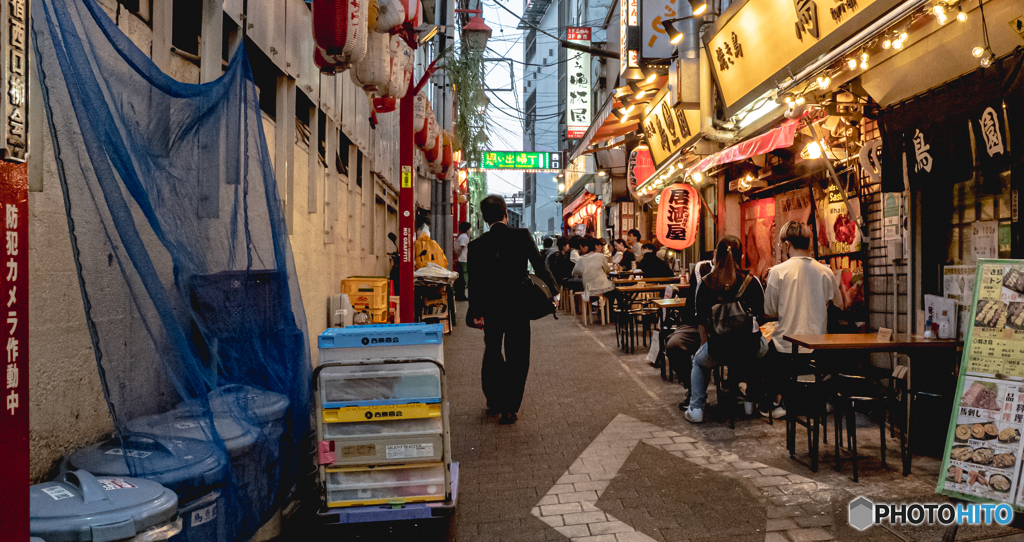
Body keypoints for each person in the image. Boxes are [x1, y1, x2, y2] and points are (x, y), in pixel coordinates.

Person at [467, 195, 558, 425]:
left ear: (485, 218)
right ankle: (510, 408)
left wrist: (476, 312)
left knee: (493, 351)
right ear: (505, 213)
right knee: (518, 355)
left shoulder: (476, 245)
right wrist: (554, 291)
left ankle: (494, 399)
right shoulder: (521, 236)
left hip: (491, 307)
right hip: (518, 304)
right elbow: (539, 265)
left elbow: (475, 282)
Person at [760, 221, 843, 418]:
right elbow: (840, 306)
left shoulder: (778, 272)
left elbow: (768, 310)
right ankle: (818, 400)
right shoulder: (826, 272)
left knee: (763, 351)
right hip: (819, 351)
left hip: (785, 351)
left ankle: (776, 402)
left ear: (786, 244)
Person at [685, 236, 768, 424]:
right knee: (765, 349)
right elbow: (761, 317)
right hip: (750, 348)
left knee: (698, 361)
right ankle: (750, 401)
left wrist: (706, 346)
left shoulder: (706, 283)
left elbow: (701, 321)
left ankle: (696, 408)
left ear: (716, 255)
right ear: (742, 255)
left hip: (718, 349)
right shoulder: (752, 281)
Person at [665, 261, 712, 410]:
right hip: (694, 324)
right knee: (673, 345)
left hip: (724, 327)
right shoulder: (702, 268)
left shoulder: (743, 276)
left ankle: (734, 389)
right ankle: (693, 390)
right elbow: (700, 298)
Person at [454, 222, 471, 301]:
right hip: (463, 259)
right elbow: (462, 247)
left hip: (462, 259)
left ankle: (461, 294)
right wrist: (458, 256)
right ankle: (461, 294)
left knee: (462, 278)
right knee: (463, 278)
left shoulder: (462, 236)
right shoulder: (464, 237)